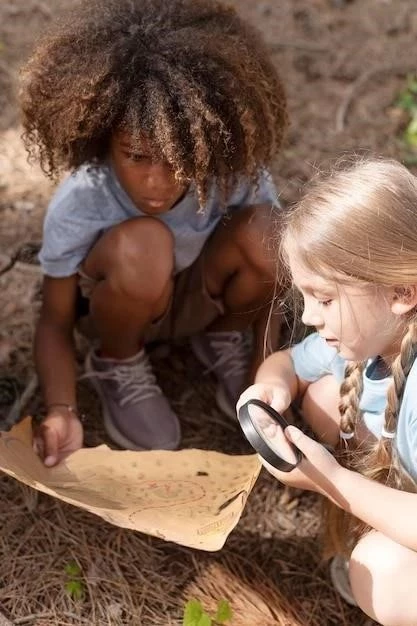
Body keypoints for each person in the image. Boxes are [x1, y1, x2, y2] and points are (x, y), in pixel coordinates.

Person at [20, 0, 288, 465]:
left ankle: (222, 337)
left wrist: (268, 372)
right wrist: (61, 408)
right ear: (102, 139)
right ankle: (118, 361)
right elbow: (55, 321)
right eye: (136, 156)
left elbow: (279, 276)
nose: (156, 183)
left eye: (178, 159)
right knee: (146, 242)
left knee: (271, 230)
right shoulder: (86, 198)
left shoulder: (234, 175)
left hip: (203, 294)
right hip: (122, 303)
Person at [238, 158, 417, 625]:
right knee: (322, 395)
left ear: (401, 292)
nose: (312, 317)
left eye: (325, 298)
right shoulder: (375, 333)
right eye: (306, 297)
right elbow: (287, 364)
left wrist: (333, 481)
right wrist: (268, 394)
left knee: (382, 570)